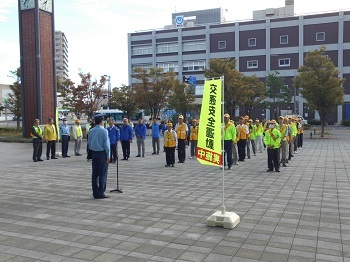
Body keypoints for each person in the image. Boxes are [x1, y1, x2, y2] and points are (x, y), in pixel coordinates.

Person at [88, 113, 110, 199]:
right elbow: (107, 145)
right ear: (101, 121)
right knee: (102, 173)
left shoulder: (91, 131)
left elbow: (89, 144)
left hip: (94, 153)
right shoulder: (104, 131)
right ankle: (101, 192)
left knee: (94, 174)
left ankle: (95, 192)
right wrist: (108, 155)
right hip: (102, 153)